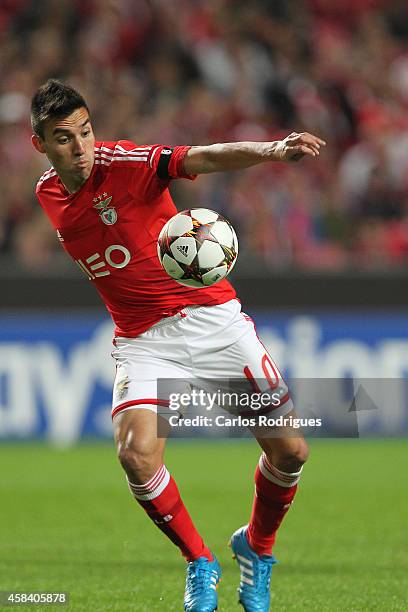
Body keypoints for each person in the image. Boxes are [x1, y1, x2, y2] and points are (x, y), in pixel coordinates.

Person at [31, 79, 325, 612]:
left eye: (86, 131)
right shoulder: (47, 193)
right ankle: (200, 562)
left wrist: (273, 150)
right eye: (64, 138)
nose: (81, 147)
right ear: (42, 146)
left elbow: (204, 156)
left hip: (213, 320)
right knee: (136, 454)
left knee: (291, 452)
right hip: (143, 340)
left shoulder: (125, 163)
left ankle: (256, 550)